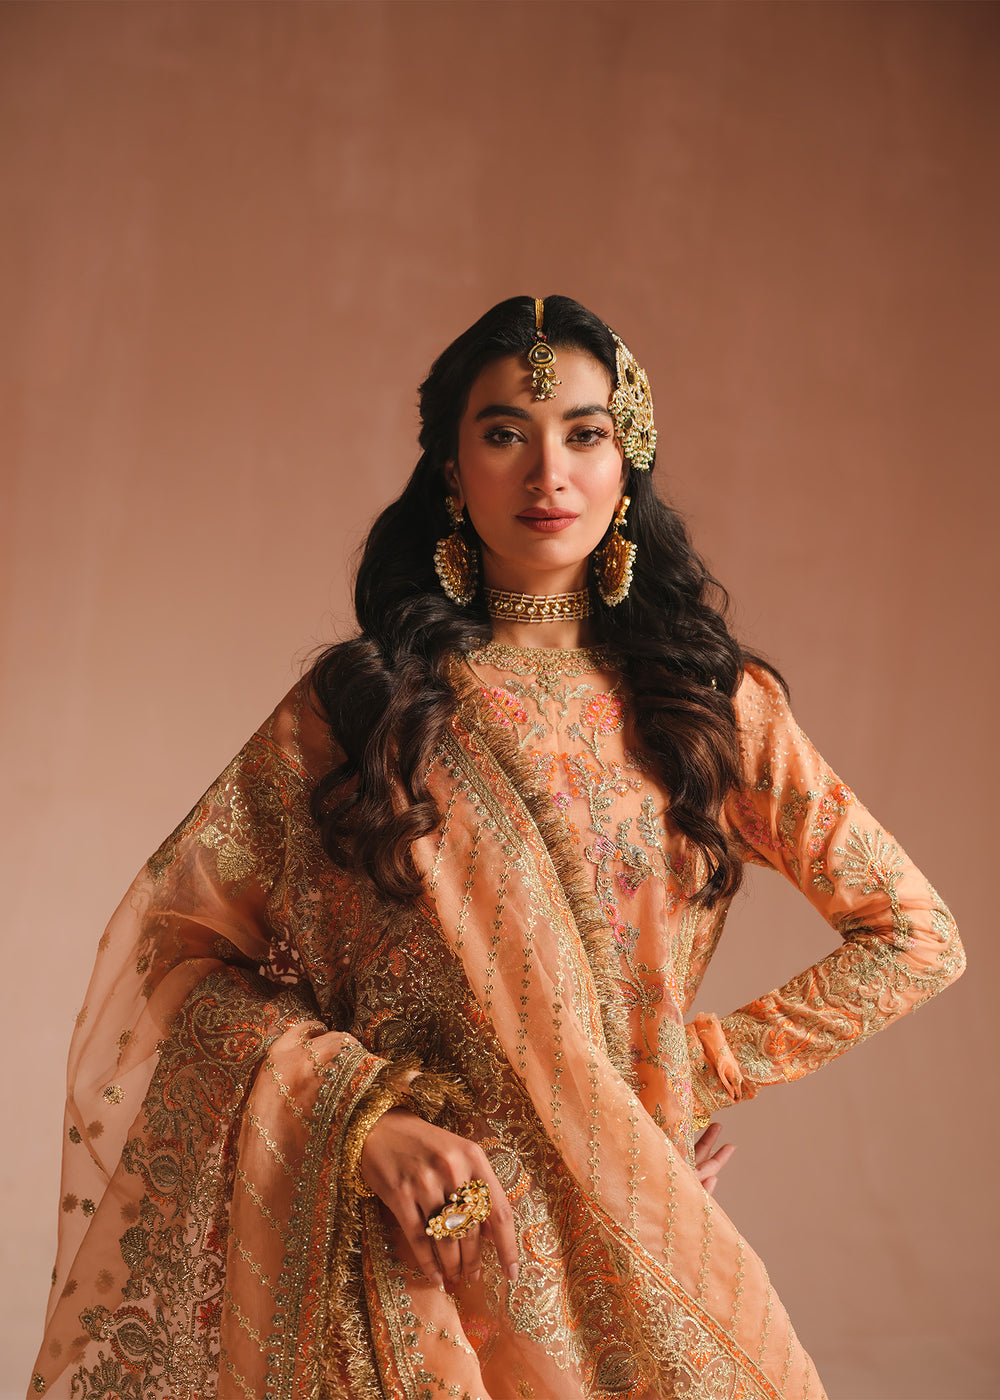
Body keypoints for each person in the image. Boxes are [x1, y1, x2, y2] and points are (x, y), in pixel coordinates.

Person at [29, 296, 964, 1400]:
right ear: (450, 465)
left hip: (631, 1235)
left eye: (584, 433)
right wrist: (362, 1119)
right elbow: (178, 961)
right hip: (407, 1256)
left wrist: (693, 1068)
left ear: (626, 463)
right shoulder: (365, 707)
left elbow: (915, 936)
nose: (547, 474)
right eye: (505, 432)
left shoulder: (708, 704)